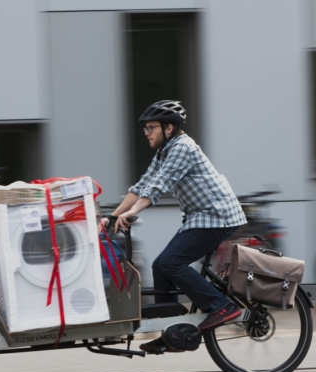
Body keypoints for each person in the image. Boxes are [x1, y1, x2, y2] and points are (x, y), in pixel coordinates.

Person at [105, 100, 247, 352]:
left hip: (216, 215)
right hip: (200, 217)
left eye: (151, 128)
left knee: (172, 262)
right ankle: (172, 330)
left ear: (168, 128)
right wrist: (111, 217)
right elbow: (142, 185)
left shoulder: (183, 147)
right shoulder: (164, 151)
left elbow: (160, 184)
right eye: (145, 129)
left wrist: (134, 211)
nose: (146, 133)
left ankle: (222, 307)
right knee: (161, 266)